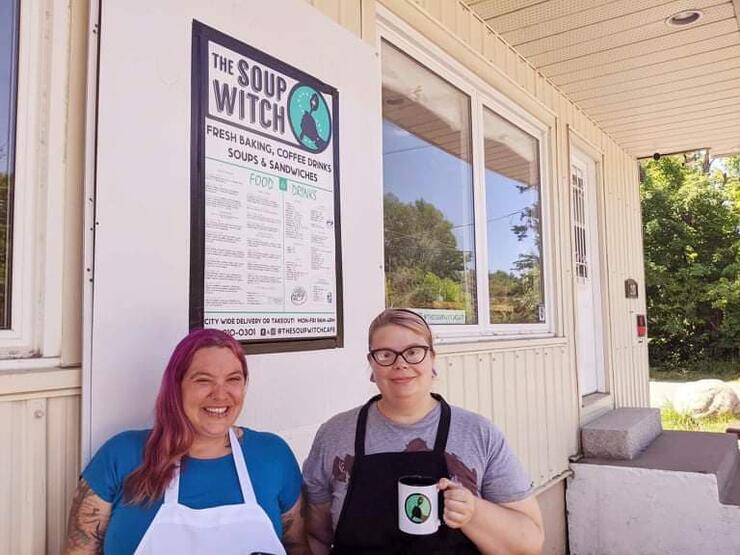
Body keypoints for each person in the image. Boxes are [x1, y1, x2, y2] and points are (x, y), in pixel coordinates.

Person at [303, 309, 544, 554]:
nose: (401, 364)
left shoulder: (478, 434)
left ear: (432, 359)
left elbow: (530, 542)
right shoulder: (334, 434)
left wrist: (474, 512)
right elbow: (316, 537)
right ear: (372, 364)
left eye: (413, 352)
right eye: (386, 354)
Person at [63, 328, 309, 555]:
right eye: (203, 380)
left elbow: (298, 546)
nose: (220, 394)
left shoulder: (273, 455)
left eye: (233, 379)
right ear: (175, 386)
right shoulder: (121, 455)